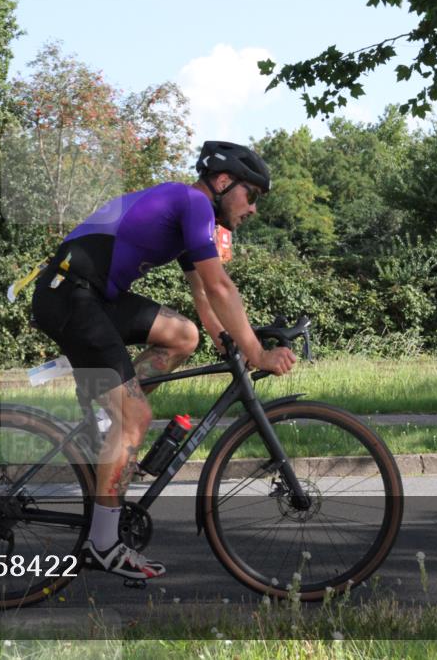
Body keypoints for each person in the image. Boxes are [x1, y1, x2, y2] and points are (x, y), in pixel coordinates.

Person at [30, 141, 297, 581]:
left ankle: (107, 418)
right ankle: (103, 544)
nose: (253, 208)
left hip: (90, 295)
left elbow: (203, 292)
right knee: (135, 416)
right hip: (70, 295)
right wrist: (257, 353)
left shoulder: (191, 211)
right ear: (223, 181)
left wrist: (227, 340)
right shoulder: (194, 203)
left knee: (183, 335)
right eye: (251, 195)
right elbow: (221, 287)